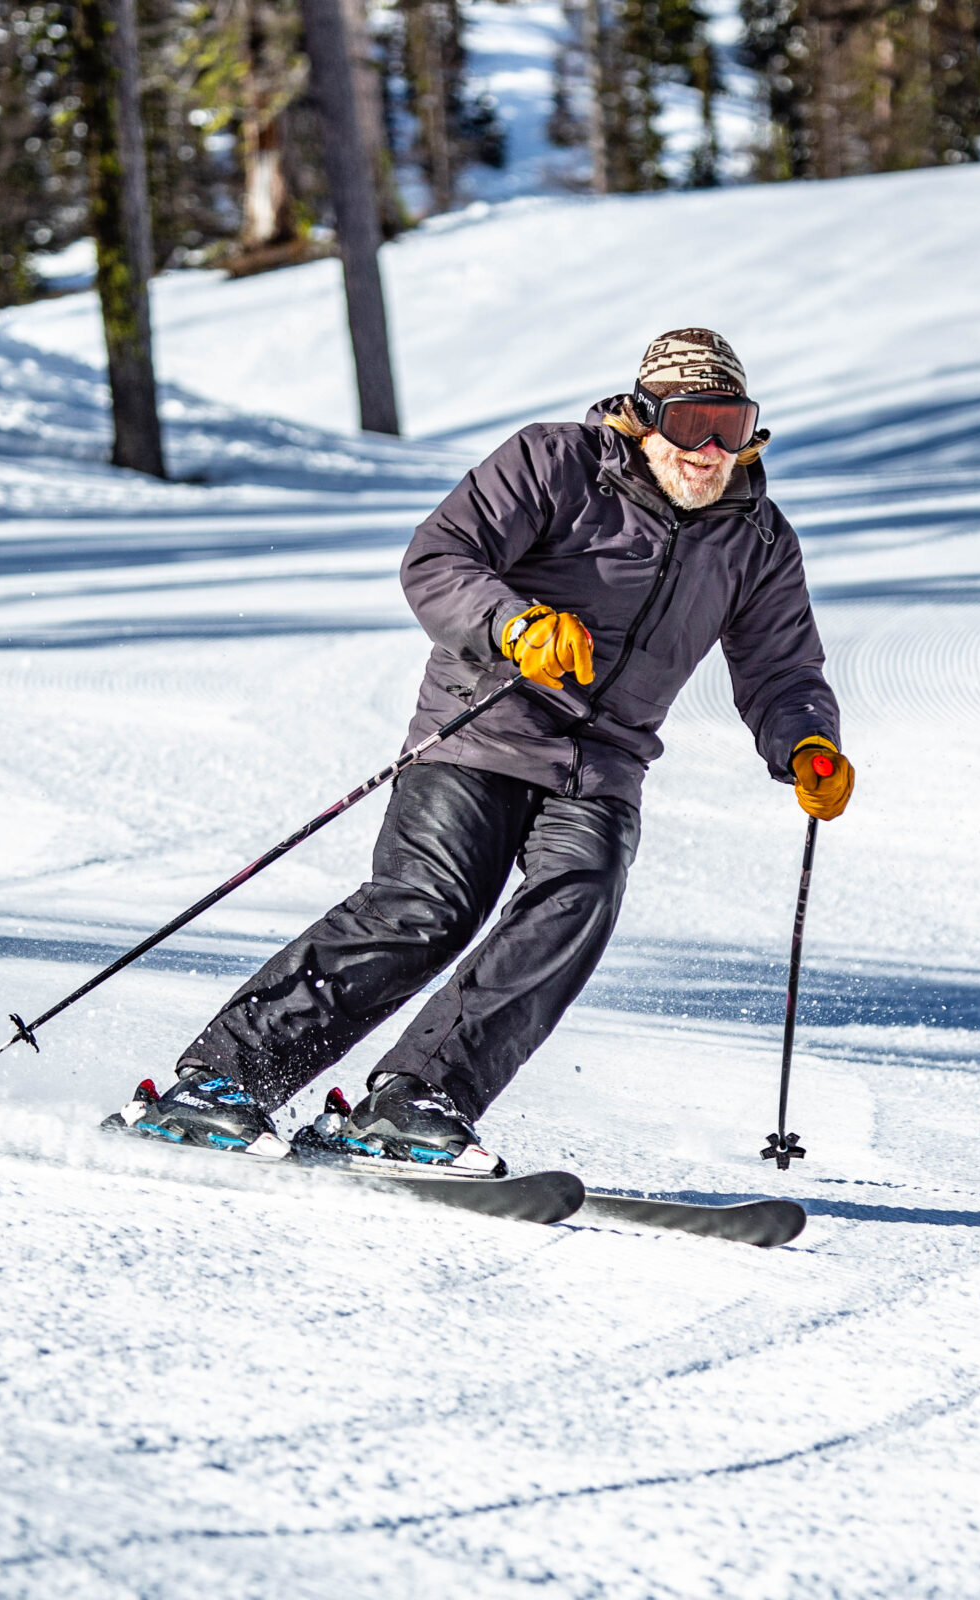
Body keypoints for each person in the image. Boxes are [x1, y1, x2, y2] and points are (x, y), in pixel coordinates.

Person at [111, 328, 855, 1174]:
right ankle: (224, 1081)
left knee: (578, 902)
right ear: (642, 420)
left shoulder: (756, 538)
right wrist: (515, 625)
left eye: (731, 423)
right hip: (480, 729)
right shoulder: (551, 464)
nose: (709, 449)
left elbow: (782, 665)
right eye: (690, 424)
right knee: (426, 908)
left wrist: (807, 743)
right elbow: (438, 558)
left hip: (603, 764)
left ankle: (416, 1099)